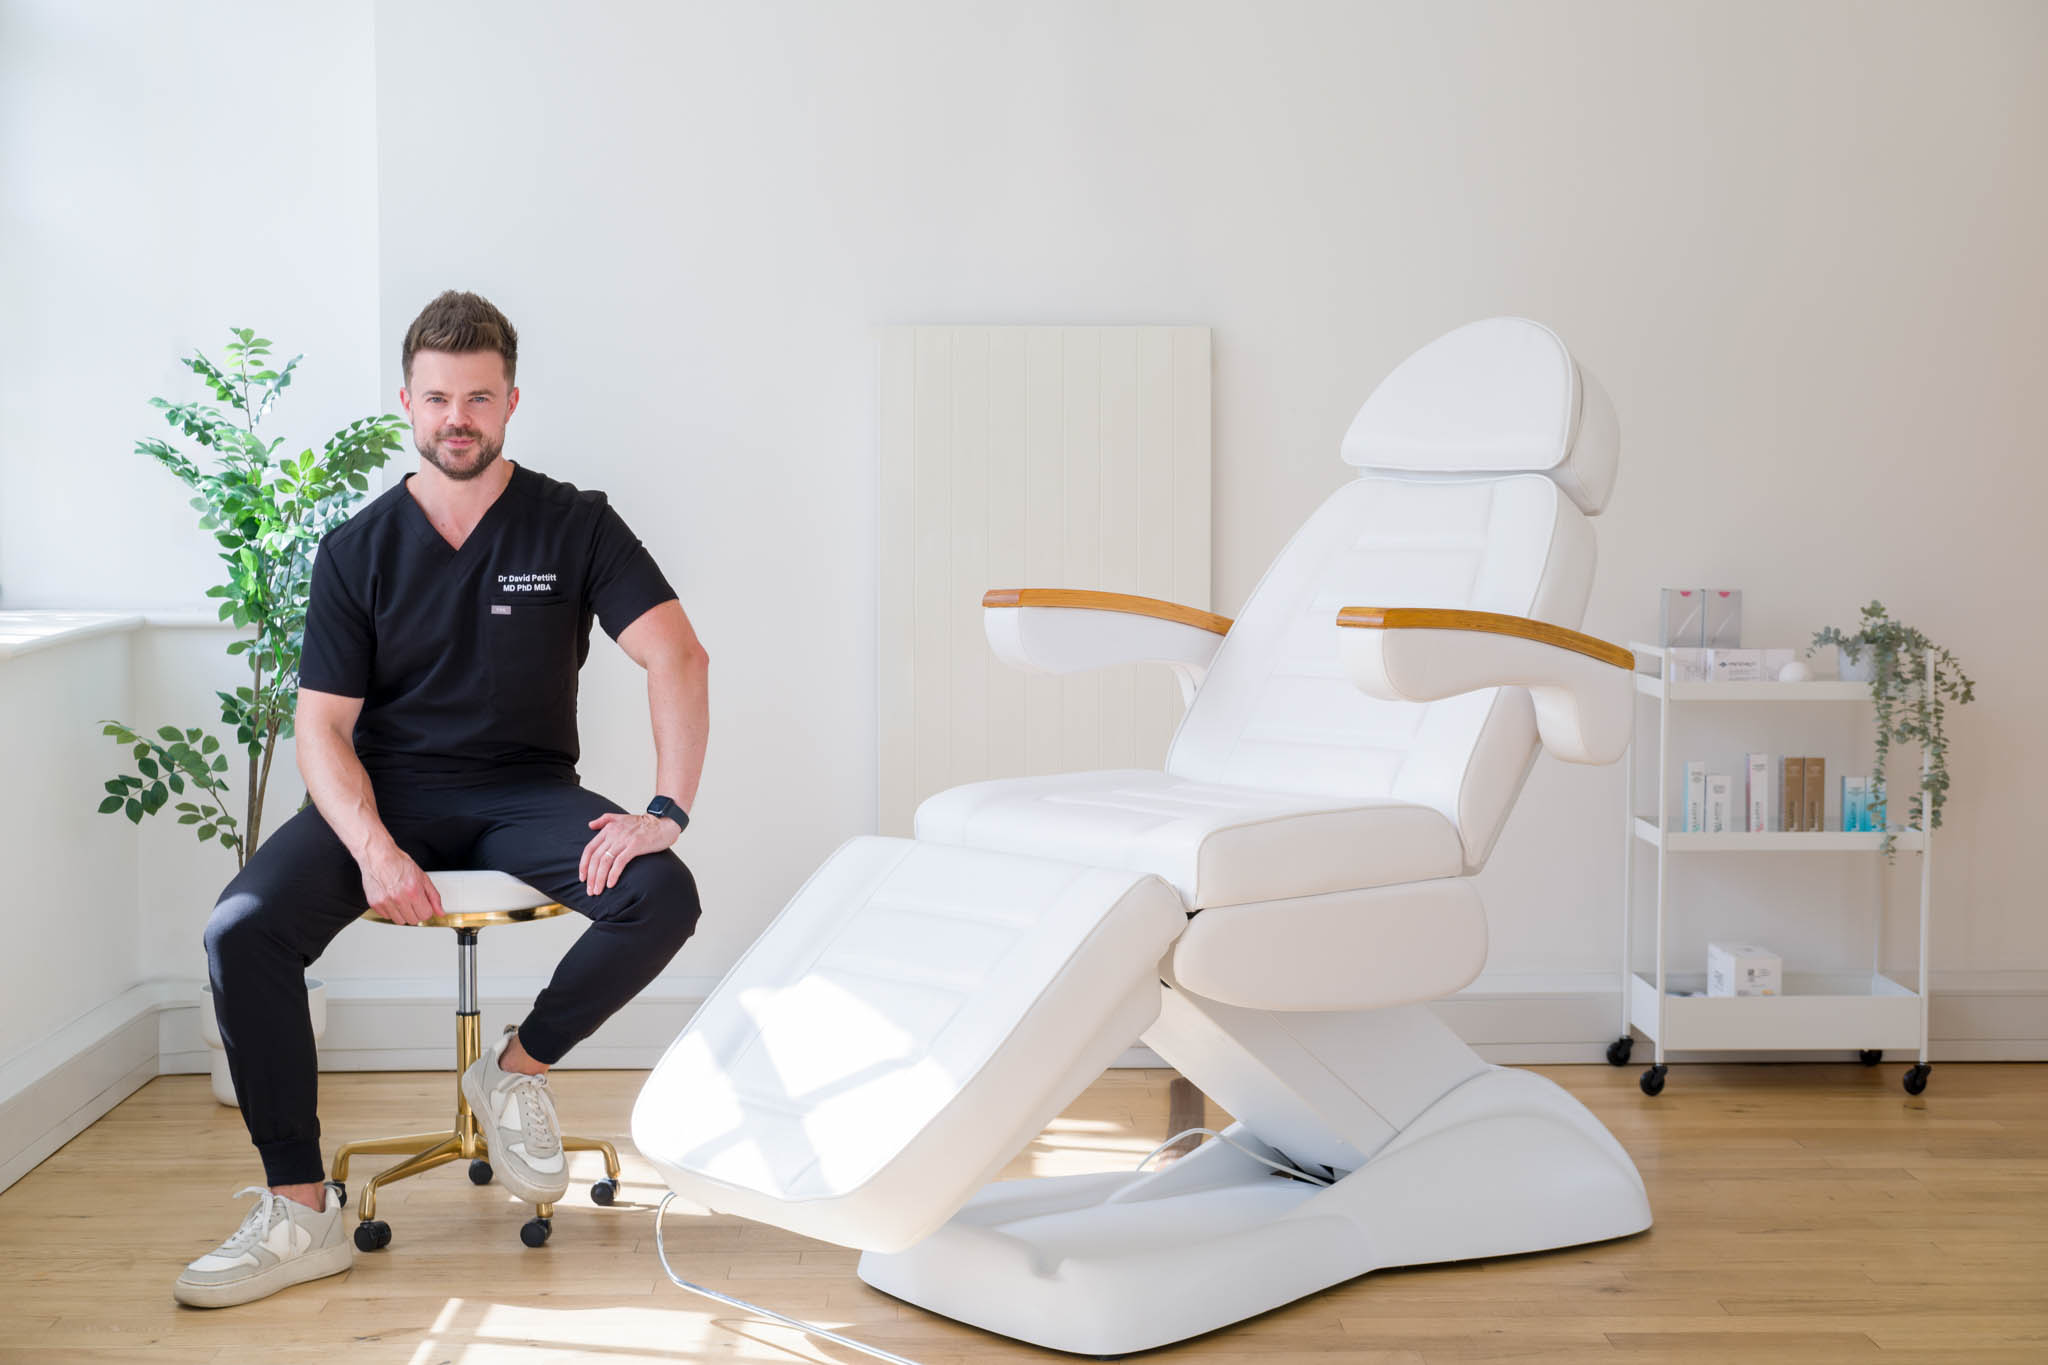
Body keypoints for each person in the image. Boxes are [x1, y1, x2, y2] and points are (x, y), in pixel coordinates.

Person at [174, 290, 709, 1308]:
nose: (454, 418)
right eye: (435, 399)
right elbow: (322, 728)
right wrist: (372, 846)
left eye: (476, 397)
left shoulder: (575, 523)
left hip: (524, 795)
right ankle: (300, 1208)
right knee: (241, 931)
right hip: (389, 795)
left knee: (661, 893)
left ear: (510, 401)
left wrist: (664, 808)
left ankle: (516, 1068)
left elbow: (676, 655)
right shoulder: (358, 548)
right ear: (407, 405)